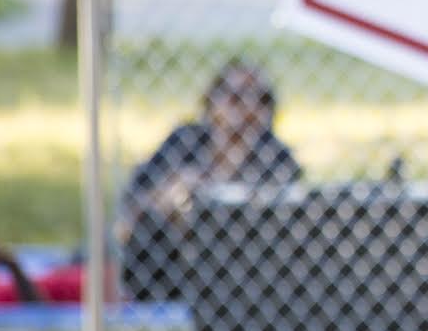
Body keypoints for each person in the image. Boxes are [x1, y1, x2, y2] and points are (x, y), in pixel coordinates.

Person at [118, 60, 301, 303]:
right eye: (235, 97)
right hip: (171, 260)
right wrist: (174, 194)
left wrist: (226, 179)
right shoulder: (185, 141)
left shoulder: (274, 155)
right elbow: (129, 218)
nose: (247, 107)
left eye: (260, 99)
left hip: (241, 271)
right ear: (212, 100)